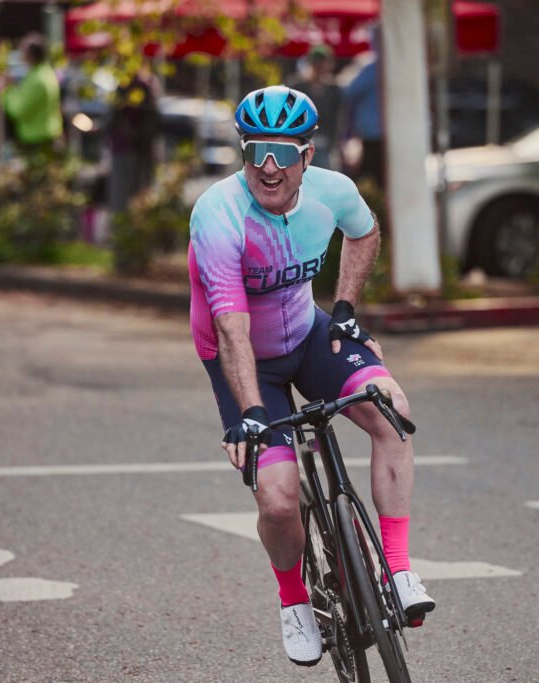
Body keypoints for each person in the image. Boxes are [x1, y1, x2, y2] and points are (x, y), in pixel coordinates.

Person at [188, 85, 435, 666]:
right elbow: (231, 328)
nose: (268, 167)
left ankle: (398, 569)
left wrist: (345, 309)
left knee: (393, 412)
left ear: (307, 155)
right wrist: (252, 414)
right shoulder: (218, 214)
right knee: (278, 501)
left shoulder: (333, 191)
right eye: (256, 151)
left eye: (281, 152)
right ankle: (294, 599)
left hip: (308, 333)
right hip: (243, 359)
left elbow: (364, 232)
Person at [0, 33, 63, 152]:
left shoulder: (37, 80)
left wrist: (4, 91)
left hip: (37, 138)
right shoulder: (45, 73)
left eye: (23, 52)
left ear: (30, 55)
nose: (21, 57)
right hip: (47, 134)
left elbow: (18, 110)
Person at [106, 66, 161, 214]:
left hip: (132, 150)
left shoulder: (139, 86)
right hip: (131, 149)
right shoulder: (143, 85)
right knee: (133, 198)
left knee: (126, 199)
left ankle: (125, 223)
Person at [342, 28, 384, 186]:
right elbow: (350, 95)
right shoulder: (370, 70)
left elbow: (349, 94)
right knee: (369, 180)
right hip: (371, 137)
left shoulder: (371, 69)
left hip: (379, 136)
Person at [289, 45, 342, 170]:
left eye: (323, 63)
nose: (320, 66)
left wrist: (336, 143)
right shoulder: (297, 87)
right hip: (302, 144)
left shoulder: (334, 89)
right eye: (317, 62)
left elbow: (338, 119)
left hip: (326, 146)